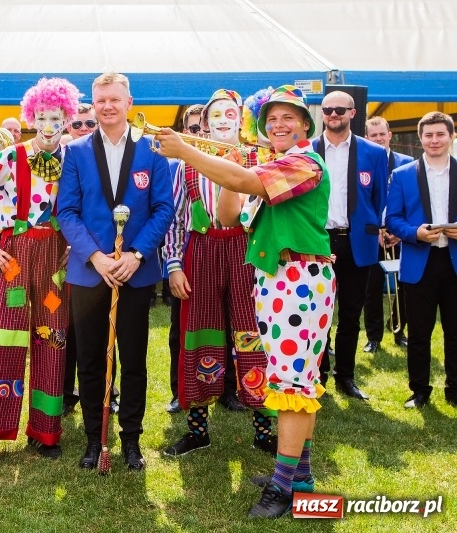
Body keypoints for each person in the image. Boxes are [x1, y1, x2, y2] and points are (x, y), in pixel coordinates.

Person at [157, 84, 335, 518]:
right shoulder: (276, 162)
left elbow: (246, 181)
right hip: (276, 279)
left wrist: (188, 151)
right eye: (271, 119)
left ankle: (281, 487)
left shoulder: (304, 162)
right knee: (291, 381)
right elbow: (227, 215)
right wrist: (228, 162)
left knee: (294, 386)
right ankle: (301, 479)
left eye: (288, 118)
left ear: (306, 126)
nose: (278, 125)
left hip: (300, 279)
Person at [0, 77, 80, 473]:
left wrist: (79, 246)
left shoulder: (75, 157)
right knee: (4, 340)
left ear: (66, 117)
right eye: (41, 117)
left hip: (56, 262)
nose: (48, 124)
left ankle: (45, 430)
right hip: (15, 259)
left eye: (55, 117)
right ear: (31, 118)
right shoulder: (11, 156)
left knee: (52, 337)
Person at [58, 72, 173, 472]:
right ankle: (94, 438)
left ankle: (131, 439)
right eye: (100, 100)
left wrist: (136, 255)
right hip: (90, 273)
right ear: (93, 104)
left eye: (114, 99)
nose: (107, 106)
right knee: (90, 358)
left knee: (134, 357)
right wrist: (96, 257)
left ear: (129, 102)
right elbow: (67, 212)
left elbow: (163, 209)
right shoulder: (74, 151)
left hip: (134, 273)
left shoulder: (153, 149)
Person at [161, 89, 275, 459]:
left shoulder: (260, 160)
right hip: (203, 250)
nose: (223, 120)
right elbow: (176, 219)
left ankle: (263, 431)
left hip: (246, 253)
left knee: (252, 337)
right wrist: (174, 264)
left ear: (241, 118)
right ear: (205, 123)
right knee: (199, 337)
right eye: (216, 115)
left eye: (231, 113)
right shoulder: (187, 163)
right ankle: (197, 431)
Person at [313, 91, 387, 401]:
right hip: (318, 241)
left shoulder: (373, 153)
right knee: (319, 314)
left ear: (352, 113)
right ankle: (319, 377)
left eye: (340, 109)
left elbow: (380, 197)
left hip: (358, 241)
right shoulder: (307, 150)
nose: (333, 114)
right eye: (328, 109)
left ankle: (346, 376)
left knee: (350, 314)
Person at [386, 111, 457, 409]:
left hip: (454, 262)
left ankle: (454, 389)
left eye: (440, 134)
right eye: (428, 135)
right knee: (418, 333)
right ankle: (419, 390)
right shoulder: (402, 175)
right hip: (420, 261)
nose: (434, 140)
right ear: (420, 138)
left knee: (455, 332)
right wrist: (414, 232)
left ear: (452, 137)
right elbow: (393, 219)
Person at [164, 104, 205, 414]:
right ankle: (180, 391)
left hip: (234, 253)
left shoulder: (240, 161)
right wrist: (174, 262)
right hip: (192, 251)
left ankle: (231, 389)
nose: (202, 133)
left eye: (205, 127)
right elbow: (175, 219)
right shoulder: (182, 167)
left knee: (234, 326)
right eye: (194, 129)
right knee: (182, 327)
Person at [62, 101, 101, 416]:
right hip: (55, 258)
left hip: (93, 257)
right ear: (67, 126)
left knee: (96, 330)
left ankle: (106, 392)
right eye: (78, 124)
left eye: (90, 123)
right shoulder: (55, 156)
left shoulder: (101, 155)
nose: (84, 129)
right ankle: (62, 393)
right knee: (63, 330)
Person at [363, 117, 414, 352]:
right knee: (372, 286)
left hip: (401, 233)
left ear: (390, 135)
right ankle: (374, 337)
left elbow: (413, 203)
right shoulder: (364, 161)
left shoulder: (407, 162)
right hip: (373, 235)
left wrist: (400, 233)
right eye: (373, 136)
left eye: (381, 134)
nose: (378, 139)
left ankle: (398, 329)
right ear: (367, 138)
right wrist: (376, 232)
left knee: (403, 285)